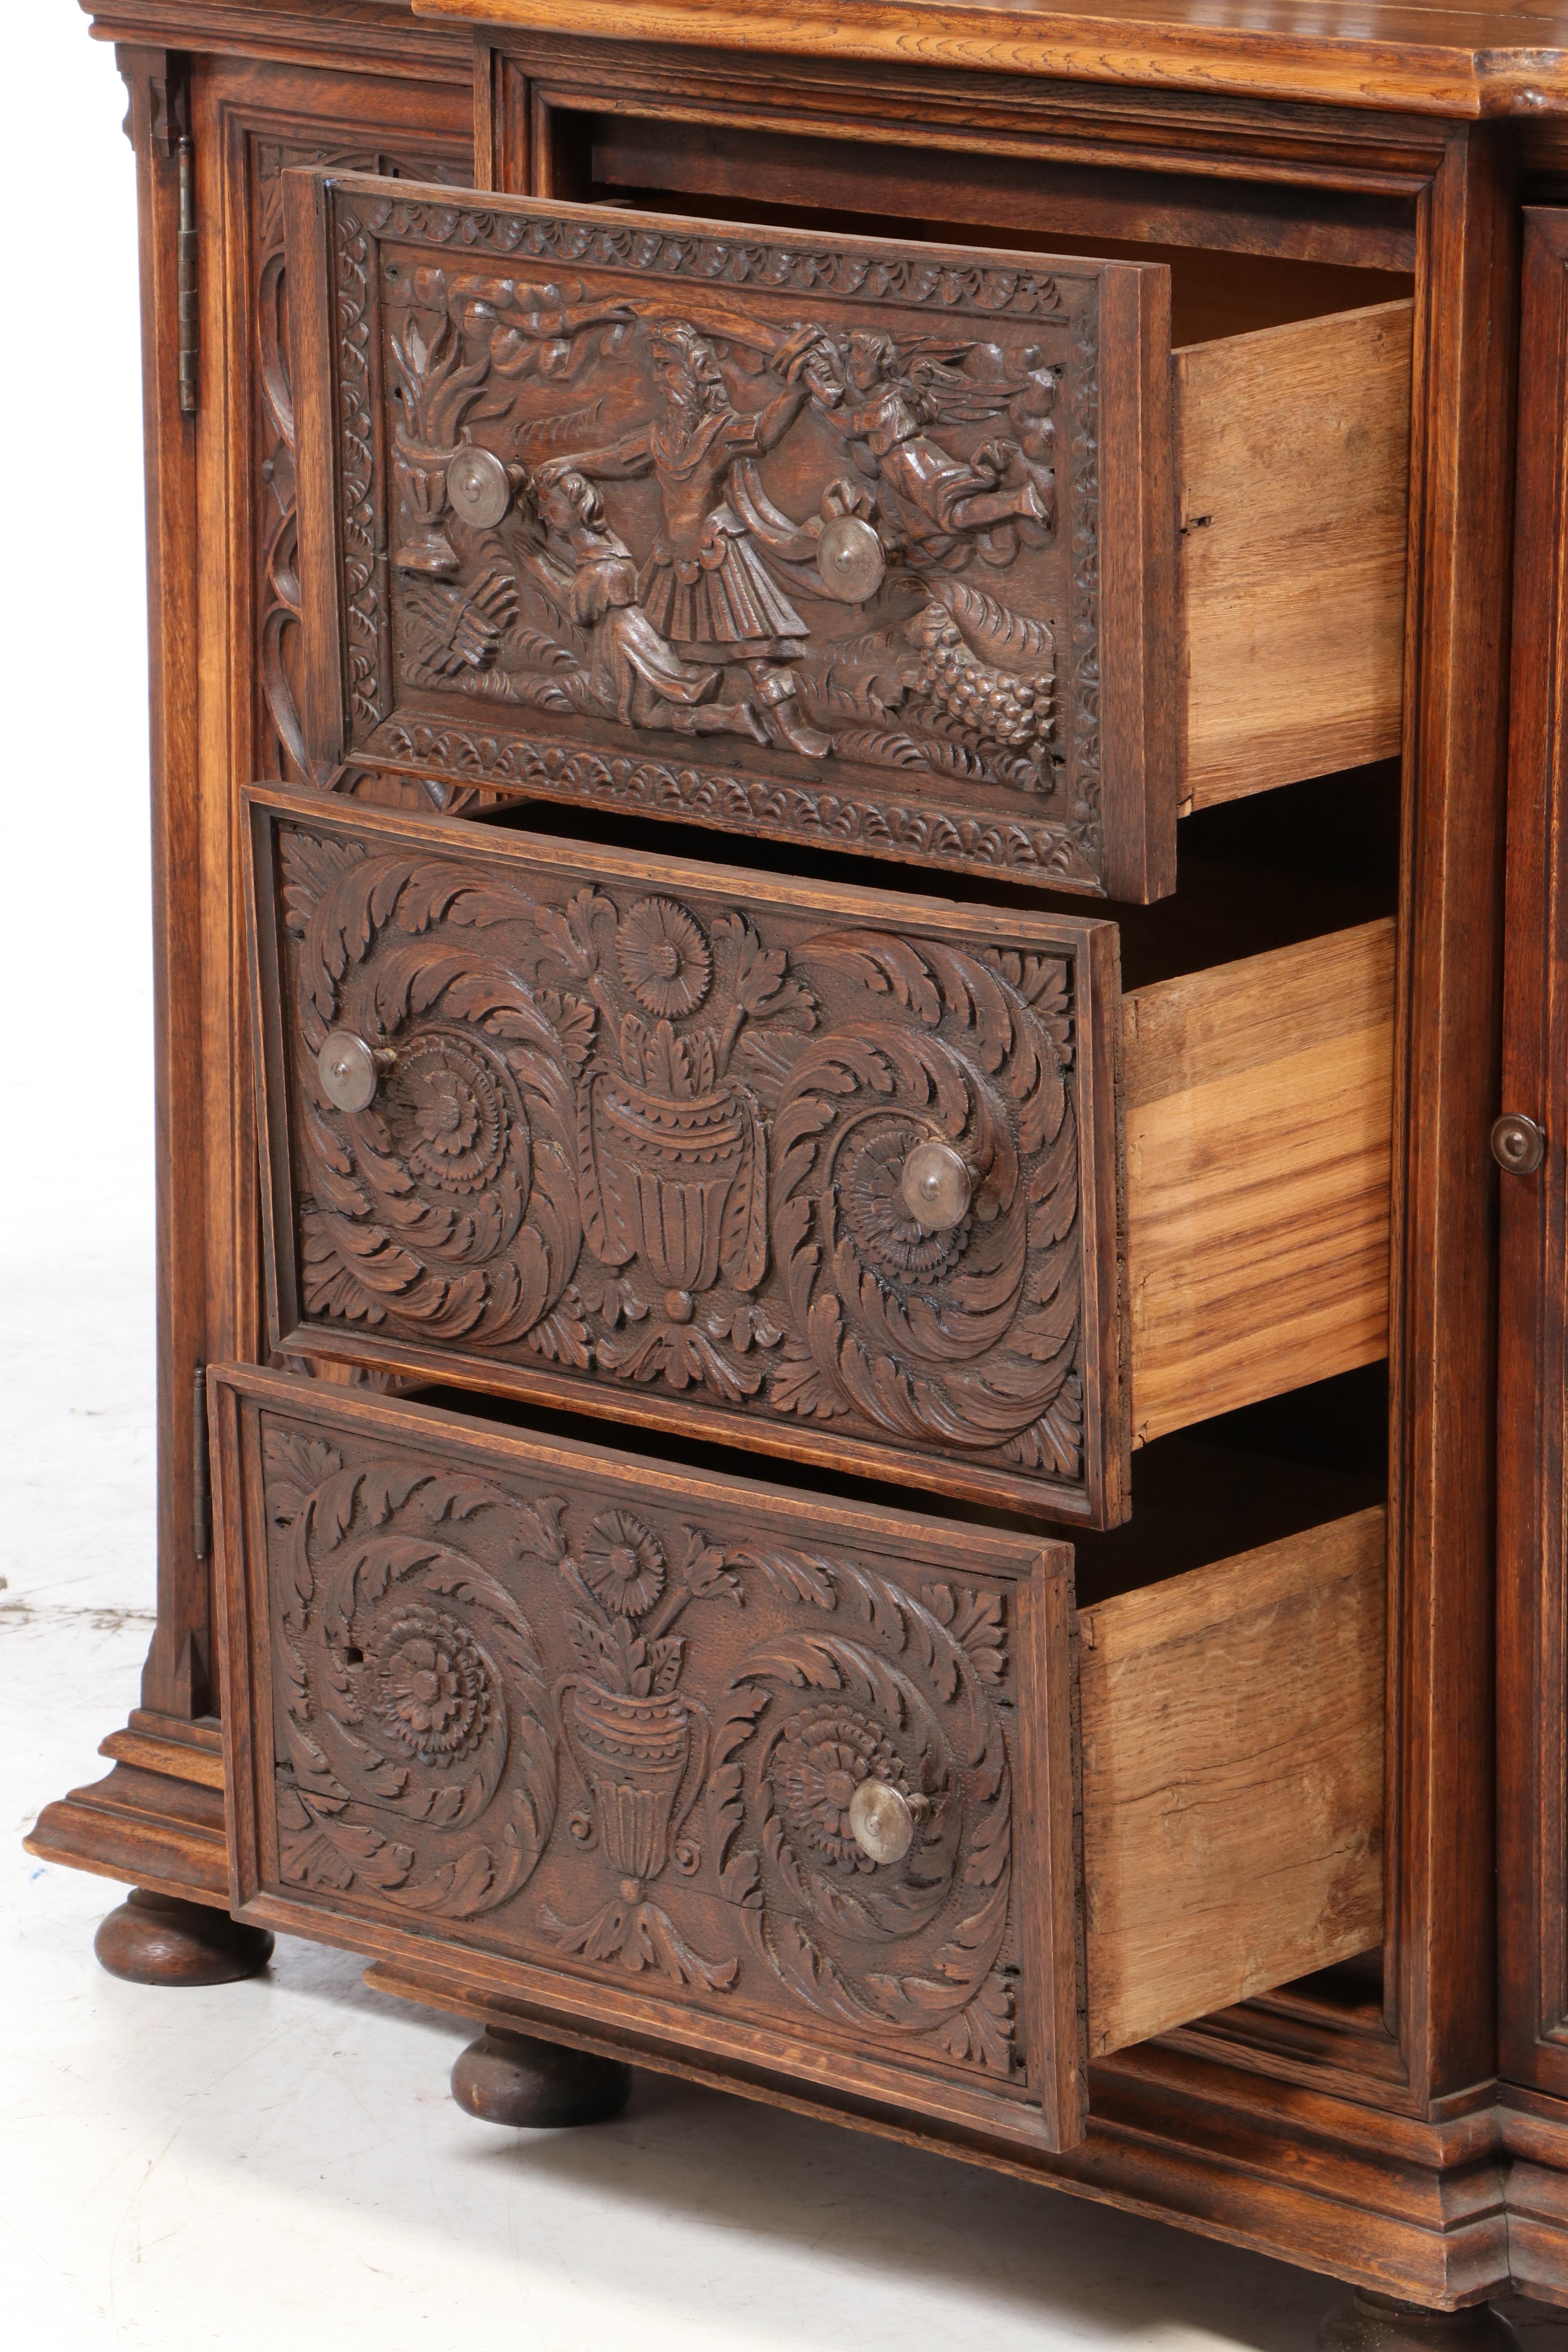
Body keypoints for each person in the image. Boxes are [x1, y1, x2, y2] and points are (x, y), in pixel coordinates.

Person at [539, 318, 833, 758]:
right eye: (656, 368)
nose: (659, 378)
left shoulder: (718, 433)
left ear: (696, 371)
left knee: (755, 653)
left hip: (717, 556)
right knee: (660, 645)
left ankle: (791, 729)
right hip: (671, 560)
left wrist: (796, 392)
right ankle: (708, 716)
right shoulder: (660, 437)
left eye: (667, 367)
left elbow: (763, 432)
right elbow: (619, 461)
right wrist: (569, 463)